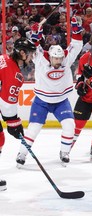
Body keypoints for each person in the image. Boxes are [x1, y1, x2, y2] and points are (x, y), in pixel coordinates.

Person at [16, 16, 84, 167]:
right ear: (50, 57)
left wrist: (75, 30)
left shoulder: (66, 59)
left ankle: (64, 152)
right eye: (56, 59)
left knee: (69, 126)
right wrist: (35, 35)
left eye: (60, 59)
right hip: (42, 101)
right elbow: (33, 48)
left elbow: (77, 45)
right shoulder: (41, 59)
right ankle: (22, 153)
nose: (59, 62)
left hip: (61, 101)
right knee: (33, 129)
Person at [0, 38, 37, 189]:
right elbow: (7, 104)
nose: (31, 57)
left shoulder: (3, 58)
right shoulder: (15, 75)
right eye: (30, 54)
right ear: (22, 53)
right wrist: (14, 122)